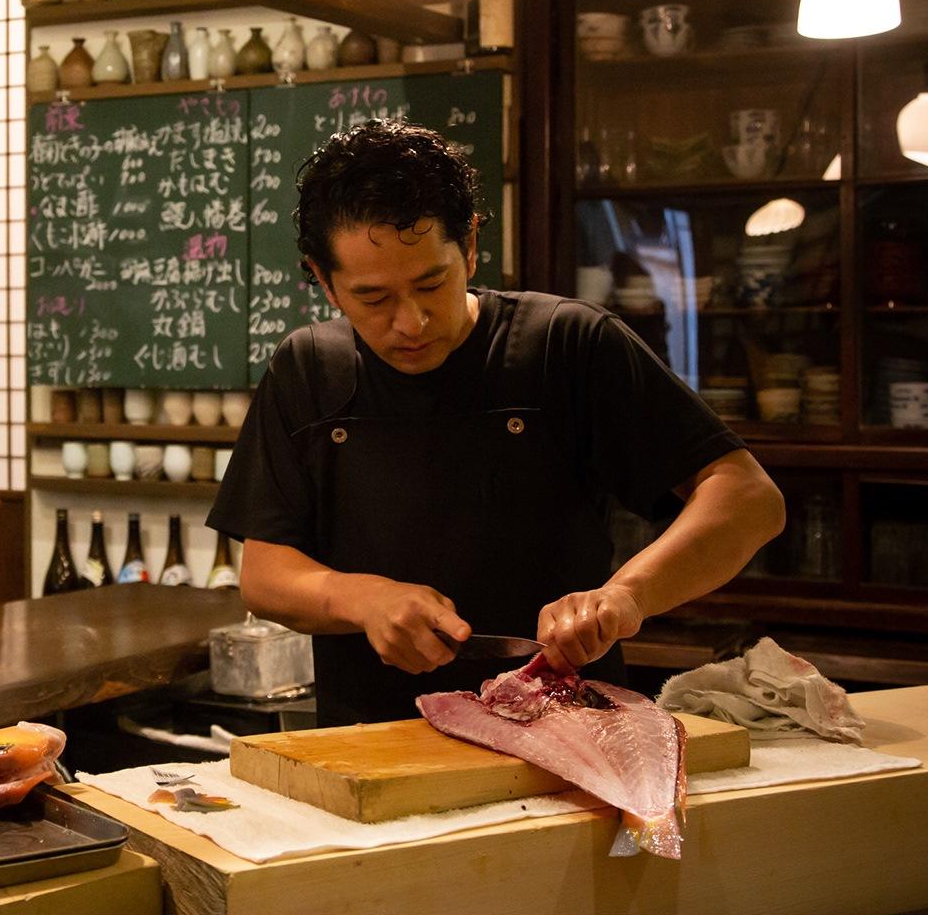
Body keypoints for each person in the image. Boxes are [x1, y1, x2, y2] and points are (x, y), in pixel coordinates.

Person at [208, 121, 784, 727]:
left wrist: (625, 596)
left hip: (569, 733)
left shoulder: (566, 344)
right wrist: (362, 598)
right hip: (371, 741)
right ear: (324, 280)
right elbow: (265, 577)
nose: (411, 322)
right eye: (373, 299)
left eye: (432, 283)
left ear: (470, 246)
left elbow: (748, 498)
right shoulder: (309, 370)